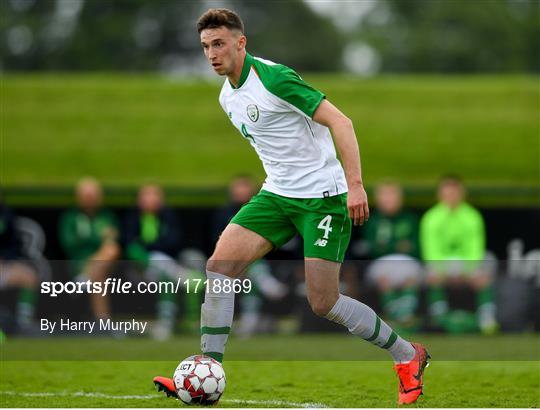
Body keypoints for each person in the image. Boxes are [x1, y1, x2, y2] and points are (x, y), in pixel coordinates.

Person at [154, 9, 429, 405]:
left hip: (323, 199)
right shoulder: (226, 97)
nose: (211, 54)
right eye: (205, 47)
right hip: (277, 196)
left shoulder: (275, 78)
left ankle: (408, 355)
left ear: (240, 42)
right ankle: (206, 371)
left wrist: (355, 187)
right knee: (219, 267)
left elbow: (342, 122)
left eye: (218, 44)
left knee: (323, 302)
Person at [123, 183, 203, 340]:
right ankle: (185, 278)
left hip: (168, 263)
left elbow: (174, 243)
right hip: (143, 268)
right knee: (158, 260)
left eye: (155, 195)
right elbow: (131, 246)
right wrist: (150, 251)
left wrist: (151, 246)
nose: (151, 199)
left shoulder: (169, 217)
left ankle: (189, 322)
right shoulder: (131, 219)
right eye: (147, 195)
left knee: (175, 265)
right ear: (139, 200)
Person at [420, 175, 497, 334]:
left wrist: (469, 271)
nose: (451, 197)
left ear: (462, 194)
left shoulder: (472, 216)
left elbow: (476, 248)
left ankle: (486, 319)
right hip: (442, 264)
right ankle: (438, 317)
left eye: (454, 193)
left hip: (467, 264)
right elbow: (431, 250)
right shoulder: (431, 218)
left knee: (486, 268)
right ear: (440, 195)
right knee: (431, 274)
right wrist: (442, 272)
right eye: (447, 193)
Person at [362, 181, 422, 331]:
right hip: (382, 263)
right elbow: (374, 249)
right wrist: (399, 245)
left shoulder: (410, 219)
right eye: (385, 196)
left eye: (392, 195)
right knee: (384, 279)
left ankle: (402, 318)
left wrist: (388, 246)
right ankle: (401, 318)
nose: (389, 199)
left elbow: (416, 248)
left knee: (411, 277)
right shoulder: (373, 220)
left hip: (408, 261)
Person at [58, 177, 120, 322]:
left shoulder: (107, 216)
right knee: (99, 276)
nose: (90, 199)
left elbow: (113, 241)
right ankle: (103, 322)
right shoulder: (70, 218)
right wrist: (96, 239)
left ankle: (84, 279)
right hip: (79, 262)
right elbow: (69, 244)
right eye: (86, 195)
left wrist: (95, 243)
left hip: (107, 262)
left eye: (93, 195)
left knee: (111, 250)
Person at [0, 200, 38, 333]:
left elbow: (15, 244)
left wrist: (5, 259)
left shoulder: (6, 214)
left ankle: (24, 323)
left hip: (4, 265)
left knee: (29, 277)